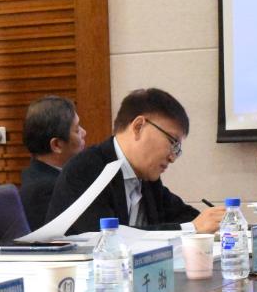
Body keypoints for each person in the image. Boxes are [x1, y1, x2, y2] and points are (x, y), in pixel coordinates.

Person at [45, 88, 225, 235]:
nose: (172, 157)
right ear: (139, 126)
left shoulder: (146, 177)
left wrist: (222, 220)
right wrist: (191, 228)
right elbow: (106, 238)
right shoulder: (86, 169)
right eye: (172, 142)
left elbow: (183, 216)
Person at [19, 95, 86, 229]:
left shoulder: (43, 176)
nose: (84, 133)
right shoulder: (45, 191)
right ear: (56, 145)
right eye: (77, 130)